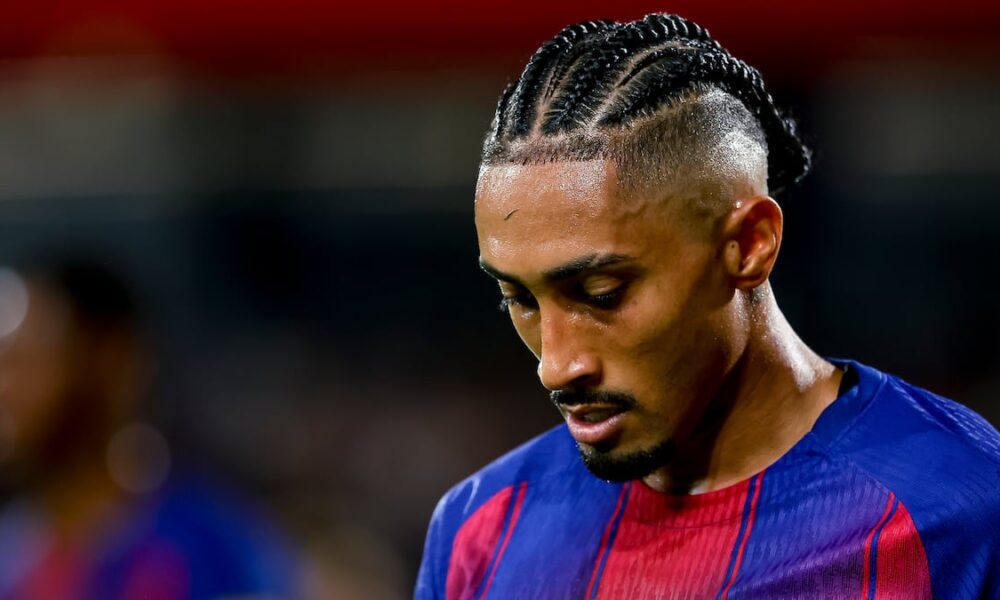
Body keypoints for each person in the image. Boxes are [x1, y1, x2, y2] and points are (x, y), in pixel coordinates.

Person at [415, 13, 1000, 599]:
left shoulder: (960, 511)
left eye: (602, 294)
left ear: (749, 244)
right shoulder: (476, 537)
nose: (557, 366)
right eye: (519, 299)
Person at [0, 259, 297, 599]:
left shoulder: (212, 552)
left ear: (108, 361)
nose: (5, 390)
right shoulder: (13, 555)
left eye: (24, 362)